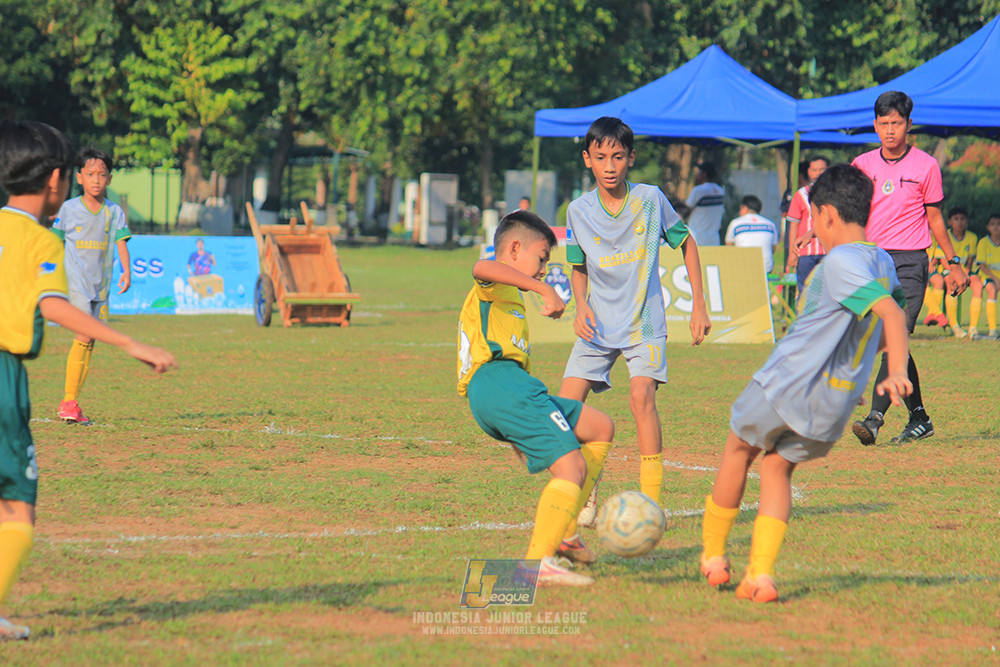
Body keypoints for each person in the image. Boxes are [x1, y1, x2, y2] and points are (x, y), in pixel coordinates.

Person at [699, 164, 911, 603]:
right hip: (834, 406)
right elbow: (898, 310)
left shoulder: (842, 261)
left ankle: (714, 558)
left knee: (738, 449)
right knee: (777, 469)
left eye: (814, 216)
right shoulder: (883, 261)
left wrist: (896, 372)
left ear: (827, 214)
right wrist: (892, 361)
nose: (813, 225)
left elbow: (889, 312)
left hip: (787, 384)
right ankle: (760, 576)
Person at [0, 120, 177, 641]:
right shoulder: (39, 239)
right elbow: (54, 305)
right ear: (59, 180)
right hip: (4, 378)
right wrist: (128, 342)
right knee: (18, 510)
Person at [557, 117, 711, 518]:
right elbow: (578, 266)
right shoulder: (578, 211)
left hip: (644, 322)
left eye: (618, 157)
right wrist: (581, 305)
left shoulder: (650, 199)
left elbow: (686, 243)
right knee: (565, 411)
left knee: (641, 397)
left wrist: (699, 305)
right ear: (587, 159)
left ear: (631, 159)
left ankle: (652, 503)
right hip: (597, 325)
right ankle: (585, 488)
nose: (610, 166)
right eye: (601, 157)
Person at [457, 210, 615, 586]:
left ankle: (564, 532)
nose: (544, 268)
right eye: (541, 257)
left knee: (599, 427)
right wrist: (543, 289)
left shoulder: (510, 297)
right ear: (514, 248)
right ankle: (536, 565)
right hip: (496, 381)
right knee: (572, 468)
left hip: (510, 387)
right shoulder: (496, 284)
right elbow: (483, 266)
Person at [850, 91, 969, 447]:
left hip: (909, 261)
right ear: (875, 125)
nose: (890, 130)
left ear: (909, 125)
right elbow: (850, 209)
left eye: (896, 123)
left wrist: (953, 263)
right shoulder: (862, 164)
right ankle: (919, 417)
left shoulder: (926, 166)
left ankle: (874, 419)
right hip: (870, 260)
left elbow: (935, 219)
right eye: (884, 124)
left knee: (894, 335)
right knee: (890, 340)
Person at [52, 147, 132, 425]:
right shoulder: (69, 209)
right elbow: (55, 243)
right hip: (75, 284)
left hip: (101, 285)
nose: (96, 180)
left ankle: (72, 402)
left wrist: (127, 271)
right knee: (84, 335)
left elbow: (121, 241)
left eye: (101, 175)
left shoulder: (114, 212)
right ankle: (68, 401)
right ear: (79, 178)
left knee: (89, 341)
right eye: (90, 174)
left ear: (109, 179)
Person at [923, 207, 977, 338]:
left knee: (977, 284)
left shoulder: (971, 237)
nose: (959, 222)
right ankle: (944, 318)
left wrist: (965, 271)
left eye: (962, 219)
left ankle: (972, 327)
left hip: (953, 270)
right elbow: (941, 259)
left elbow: (936, 256)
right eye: (956, 219)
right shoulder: (938, 234)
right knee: (944, 280)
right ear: (949, 221)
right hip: (944, 270)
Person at [784, 155, 830, 294]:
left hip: (828, 251)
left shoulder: (835, 194)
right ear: (809, 172)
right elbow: (793, 224)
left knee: (827, 292)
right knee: (805, 292)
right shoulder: (801, 195)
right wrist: (793, 252)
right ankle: (805, 316)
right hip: (806, 252)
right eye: (815, 170)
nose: (818, 173)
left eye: (822, 169)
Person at [724, 195, 780, 273]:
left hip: (742, 266)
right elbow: (773, 248)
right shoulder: (770, 224)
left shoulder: (735, 223)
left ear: (744, 207)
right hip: (765, 267)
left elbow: (729, 248)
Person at [971, 213, 1000, 339]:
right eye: (992, 224)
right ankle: (991, 329)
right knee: (992, 289)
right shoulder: (983, 242)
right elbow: (982, 265)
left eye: (999, 224)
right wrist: (995, 279)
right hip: (987, 276)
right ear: (988, 227)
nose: (996, 227)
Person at [683, 161, 726, 246]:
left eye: (699, 171)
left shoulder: (698, 190)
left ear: (704, 174)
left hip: (697, 237)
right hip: (714, 239)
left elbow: (686, 209)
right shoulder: (720, 191)